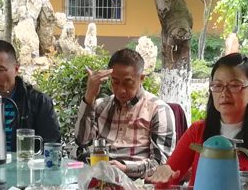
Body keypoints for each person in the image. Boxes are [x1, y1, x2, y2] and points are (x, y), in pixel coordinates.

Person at [146, 52, 248, 190]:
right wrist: (163, 175)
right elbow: (168, 179)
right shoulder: (198, 131)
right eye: (217, 85)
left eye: (234, 85)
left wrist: (223, 188)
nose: (224, 93)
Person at [74, 47, 176, 177]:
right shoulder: (101, 106)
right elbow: (82, 141)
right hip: (101, 179)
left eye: (128, 83)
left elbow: (162, 164)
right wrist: (89, 96)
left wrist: (126, 168)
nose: (121, 90)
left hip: (138, 182)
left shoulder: (158, 110)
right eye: (115, 82)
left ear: (142, 78)